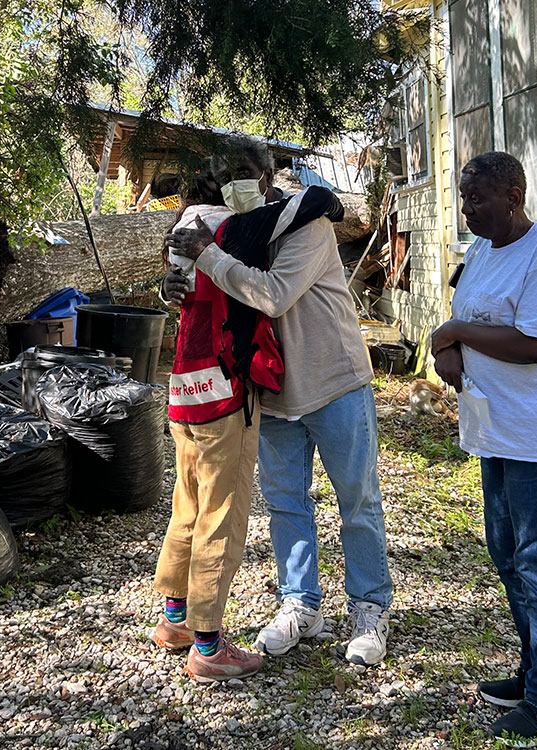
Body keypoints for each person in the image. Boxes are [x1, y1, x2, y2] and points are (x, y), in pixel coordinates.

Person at [165, 138, 394, 667]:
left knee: (357, 500)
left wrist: (209, 255)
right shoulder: (242, 230)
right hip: (269, 390)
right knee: (287, 501)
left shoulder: (304, 224)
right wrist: (172, 287)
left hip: (333, 381)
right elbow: (209, 290)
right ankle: (301, 604)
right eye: (227, 174)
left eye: (248, 171)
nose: (238, 182)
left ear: (270, 174)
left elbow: (271, 293)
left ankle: (370, 607)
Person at [152, 157, 345, 683]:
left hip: (183, 388)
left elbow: (175, 286)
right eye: (259, 179)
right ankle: (209, 646)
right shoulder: (234, 229)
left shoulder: (185, 227)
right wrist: (322, 196)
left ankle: (174, 622)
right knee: (223, 513)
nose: (263, 191)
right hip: (225, 389)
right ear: (249, 182)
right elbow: (309, 205)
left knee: (187, 502)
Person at [430, 151, 537, 745]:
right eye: (464, 198)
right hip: (493, 430)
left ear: (514, 196)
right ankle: (531, 673)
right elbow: (457, 321)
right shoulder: (479, 253)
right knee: (506, 556)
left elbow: (536, 344)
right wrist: (448, 350)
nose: (467, 208)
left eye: (478, 198)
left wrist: (458, 335)